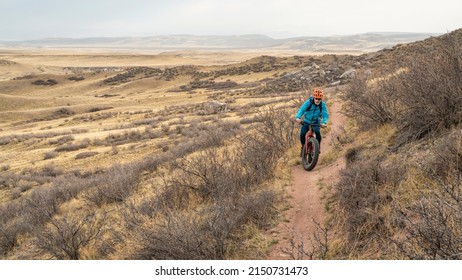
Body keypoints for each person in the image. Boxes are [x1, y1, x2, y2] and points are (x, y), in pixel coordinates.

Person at [295, 88, 329, 154]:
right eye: (316, 98)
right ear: (314, 97)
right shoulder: (308, 102)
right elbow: (301, 110)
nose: (317, 100)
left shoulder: (322, 105)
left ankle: (317, 147)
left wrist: (324, 122)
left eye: (319, 99)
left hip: (316, 121)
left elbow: (325, 114)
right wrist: (298, 118)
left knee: (317, 133)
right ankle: (303, 147)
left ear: (321, 98)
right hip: (306, 121)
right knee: (302, 134)